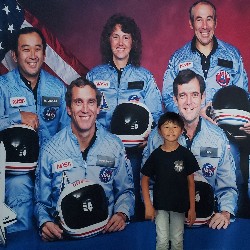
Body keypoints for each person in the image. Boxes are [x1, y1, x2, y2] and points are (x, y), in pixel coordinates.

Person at [161, 0, 249, 214]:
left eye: (209, 19)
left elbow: (244, 96)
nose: (204, 25)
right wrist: (195, 113)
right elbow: (167, 96)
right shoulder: (178, 58)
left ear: (216, 22)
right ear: (191, 24)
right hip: (190, 137)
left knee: (231, 190)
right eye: (199, 19)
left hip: (229, 142)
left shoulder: (233, 56)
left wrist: (246, 121)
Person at [34, 77, 134, 242]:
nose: (85, 109)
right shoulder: (50, 150)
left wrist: (122, 213)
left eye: (91, 102)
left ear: (98, 108)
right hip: (65, 239)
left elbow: (126, 191)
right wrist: (44, 222)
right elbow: (40, 203)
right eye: (78, 102)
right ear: (68, 108)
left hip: (105, 236)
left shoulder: (114, 146)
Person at [86, 14, 163, 219]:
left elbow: (157, 114)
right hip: (102, 152)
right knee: (102, 205)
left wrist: (148, 137)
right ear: (108, 40)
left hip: (136, 154)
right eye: (115, 36)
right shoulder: (94, 77)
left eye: (126, 37)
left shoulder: (144, 77)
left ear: (133, 42)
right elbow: (82, 114)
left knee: (138, 205)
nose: (120, 43)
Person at [143, 69, 237, 230]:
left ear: (203, 97)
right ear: (175, 99)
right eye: (182, 95)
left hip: (208, 225)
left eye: (194, 95)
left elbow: (227, 188)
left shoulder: (218, 137)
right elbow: (148, 184)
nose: (188, 102)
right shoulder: (157, 137)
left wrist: (225, 213)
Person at [0, 27, 70, 233]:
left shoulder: (57, 88)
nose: (32, 56)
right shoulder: (3, 87)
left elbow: (68, 133)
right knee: (17, 188)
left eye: (37, 49)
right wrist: (17, 117)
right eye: (25, 49)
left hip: (51, 170)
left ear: (44, 54)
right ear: (14, 55)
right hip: (15, 172)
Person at [141, 112, 198, 250]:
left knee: (177, 241)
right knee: (162, 241)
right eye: (166, 127)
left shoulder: (185, 154)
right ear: (160, 131)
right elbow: (144, 180)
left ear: (181, 130)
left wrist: (192, 208)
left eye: (175, 127)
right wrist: (148, 205)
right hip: (160, 207)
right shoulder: (156, 155)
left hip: (179, 206)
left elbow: (191, 183)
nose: (171, 131)